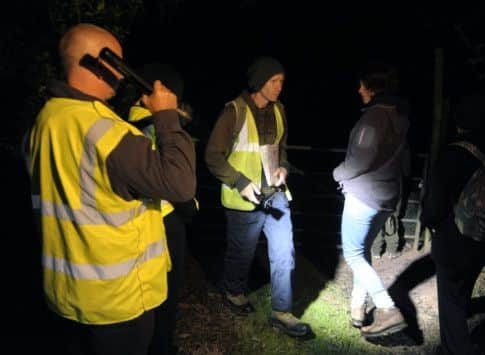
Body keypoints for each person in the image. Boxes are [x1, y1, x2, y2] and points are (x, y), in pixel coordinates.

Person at [25, 23, 196, 355]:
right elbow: (181, 183)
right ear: (100, 64)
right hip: (119, 303)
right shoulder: (107, 131)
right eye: (118, 63)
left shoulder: (44, 121)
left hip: (66, 296)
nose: (123, 73)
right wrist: (167, 118)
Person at [204, 56, 311, 338]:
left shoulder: (280, 111)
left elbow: (282, 149)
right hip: (244, 200)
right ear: (260, 81)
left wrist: (283, 169)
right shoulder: (233, 112)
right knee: (242, 253)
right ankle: (234, 293)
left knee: (283, 251)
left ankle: (282, 312)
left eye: (281, 82)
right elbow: (212, 157)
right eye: (274, 81)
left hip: (275, 195)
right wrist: (239, 182)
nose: (279, 87)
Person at [332, 62, 409, 338]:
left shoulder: (375, 117)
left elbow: (361, 160)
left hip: (364, 195)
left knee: (352, 253)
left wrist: (337, 173)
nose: (359, 90)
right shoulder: (399, 115)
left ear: (372, 88)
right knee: (362, 250)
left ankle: (387, 309)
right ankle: (357, 309)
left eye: (362, 85)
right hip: (387, 196)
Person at [128, 62, 199, 355]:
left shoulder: (122, 125)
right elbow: (177, 182)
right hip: (167, 220)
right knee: (166, 295)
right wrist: (189, 207)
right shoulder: (158, 127)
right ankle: (161, 347)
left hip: (137, 223)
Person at [421, 92, 485, 355]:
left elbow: (434, 206)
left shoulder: (452, 154)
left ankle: (457, 349)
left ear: (458, 122)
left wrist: (430, 222)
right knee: (464, 286)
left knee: (450, 299)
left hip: (454, 242)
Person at [371, 143, 412, 259]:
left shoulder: (375, 139)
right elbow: (407, 170)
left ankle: (376, 250)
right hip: (394, 184)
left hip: (375, 185)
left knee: (376, 216)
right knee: (391, 217)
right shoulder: (402, 143)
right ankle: (391, 250)